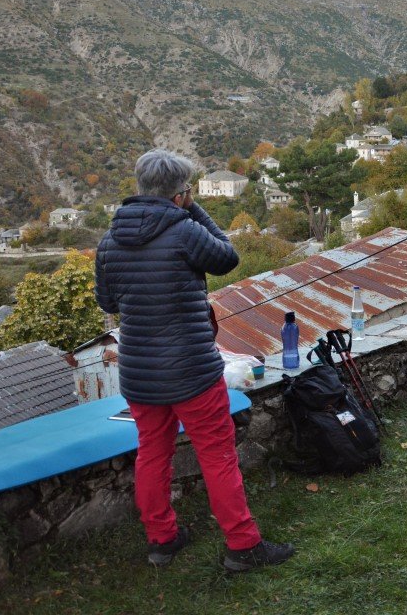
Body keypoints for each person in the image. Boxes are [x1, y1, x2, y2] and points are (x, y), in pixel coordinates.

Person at [95, 149, 295, 572]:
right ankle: (243, 546)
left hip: (139, 374)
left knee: (151, 453)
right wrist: (192, 206)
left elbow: (108, 301)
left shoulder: (109, 241)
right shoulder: (185, 230)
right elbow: (227, 257)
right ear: (179, 193)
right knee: (217, 455)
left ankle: (161, 541)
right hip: (192, 369)